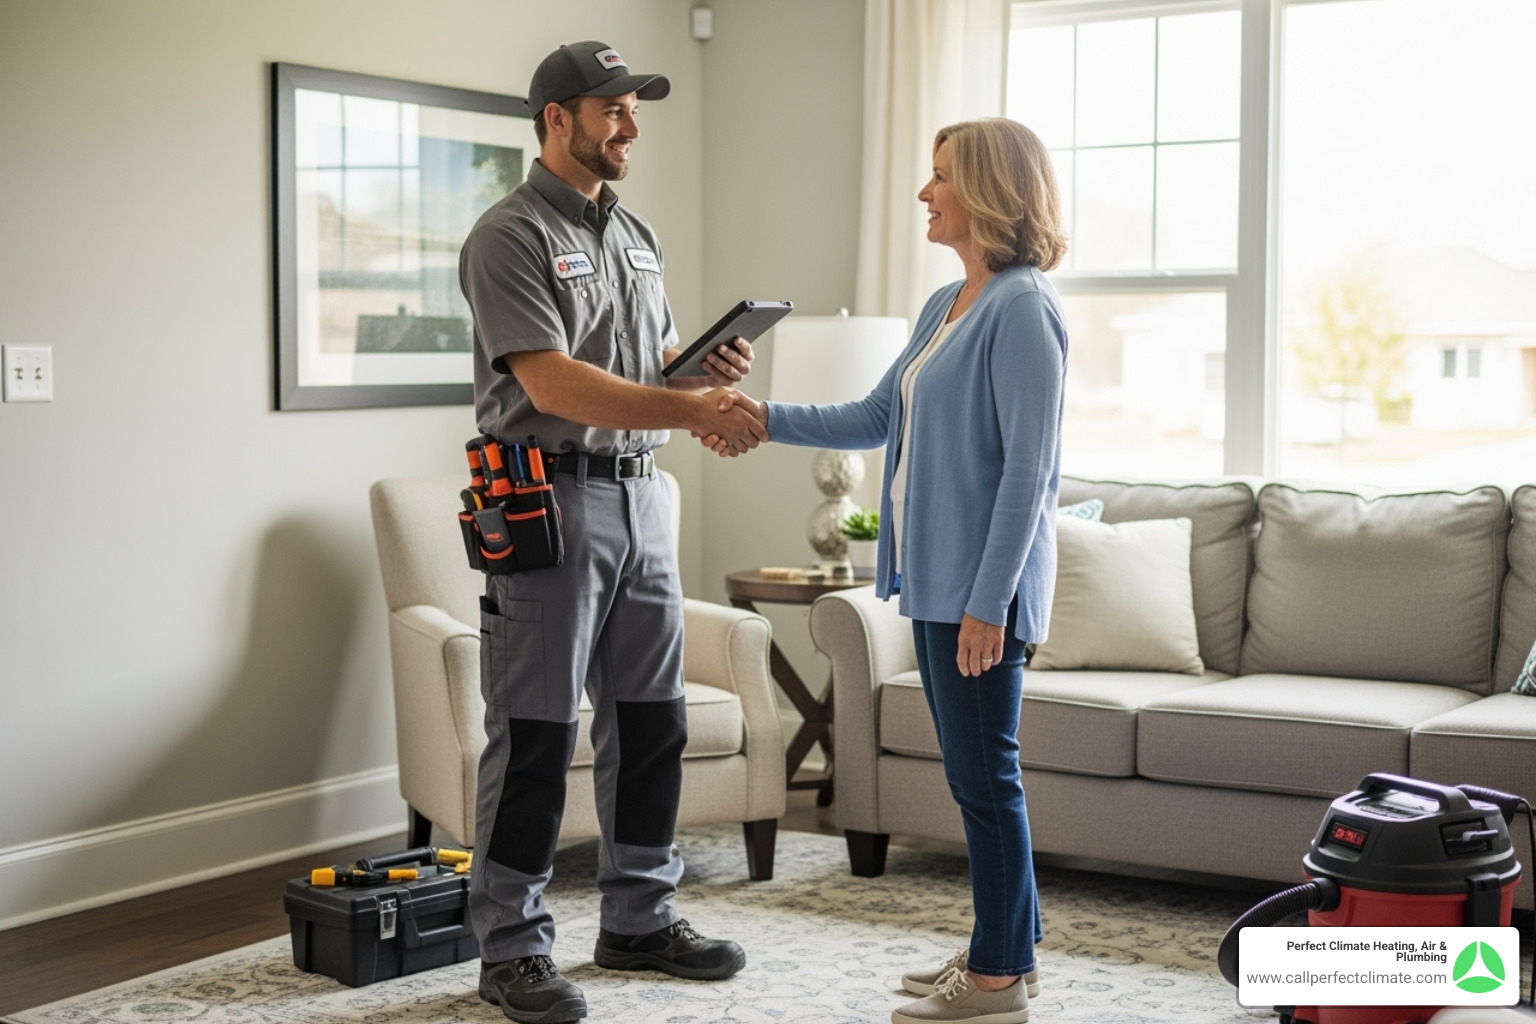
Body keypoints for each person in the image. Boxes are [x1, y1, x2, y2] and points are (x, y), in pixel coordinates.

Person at [709, 117, 1068, 1024]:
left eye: (939, 176)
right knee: (975, 780)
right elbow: (873, 417)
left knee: (987, 781)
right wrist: (758, 414)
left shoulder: (1023, 307)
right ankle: (1006, 956)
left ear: (985, 189)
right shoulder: (946, 306)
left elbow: (1030, 472)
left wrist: (991, 603)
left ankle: (994, 984)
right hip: (942, 582)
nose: (924, 192)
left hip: (984, 591)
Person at [458, 40, 766, 1024]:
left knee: (651, 724)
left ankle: (639, 915)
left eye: (635, 107)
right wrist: (693, 410)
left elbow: (654, 367)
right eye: (612, 109)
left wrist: (702, 372)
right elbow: (548, 381)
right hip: (548, 502)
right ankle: (510, 949)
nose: (630, 124)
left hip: (643, 497)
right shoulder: (506, 235)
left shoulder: (636, 235)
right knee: (540, 736)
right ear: (558, 117)